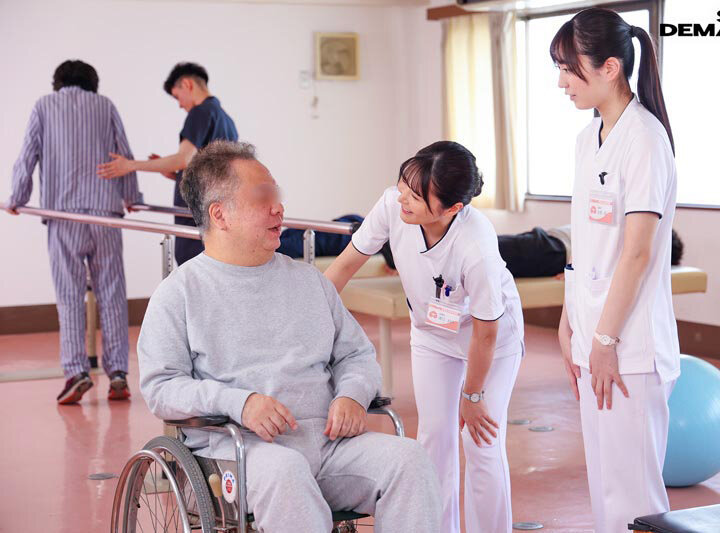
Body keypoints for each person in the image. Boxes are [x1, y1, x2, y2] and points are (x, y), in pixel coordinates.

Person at [137, 140, 441, 532]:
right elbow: (161, 387)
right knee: (286, 470)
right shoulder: (179, 293)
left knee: (409, 461)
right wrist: (240, 403)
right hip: (238, 453)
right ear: (220, 214)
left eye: (276, 195)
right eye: (262, 197)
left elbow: (356, 356)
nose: (278, 207)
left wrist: (352, 394)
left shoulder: (309, 281)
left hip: (328, 444)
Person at [325, 141, 524, 533]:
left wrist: (473, 396)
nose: (402, 198)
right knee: (434, 440)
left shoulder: (476, 245)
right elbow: (345, 265)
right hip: (433, 335)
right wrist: (307, 317)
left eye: (415, 196)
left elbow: (486, 333)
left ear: (452, 208)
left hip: (491, 344)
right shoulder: (392, 206)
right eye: (403, 185)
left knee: (482, 444)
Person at [551, 8, 680, 532]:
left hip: (629, 345)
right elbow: (585, 243)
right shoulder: (588, 140)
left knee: (634, 498)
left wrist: (604, 340)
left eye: (569, 69)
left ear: (610, 68)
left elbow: (637, 253)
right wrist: (570, 322)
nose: (562, 83)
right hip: (592, 337)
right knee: (604, 486)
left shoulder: (645, 139)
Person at [6, 59, 141, 404]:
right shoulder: (106, 106)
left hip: (62, 214)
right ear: (92, 82)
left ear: (59, 82)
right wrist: (131, 197)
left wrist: (17, 198)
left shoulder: (44, 106)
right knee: (112, 292)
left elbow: (27, 155)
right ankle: (118, 373)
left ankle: (76, 372)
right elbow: (124, 155)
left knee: (69, 295)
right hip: (105, 215)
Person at [97, 62, 237, 265]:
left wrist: (130, 165)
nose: (179, 104)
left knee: (193, 267)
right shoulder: (225, 119)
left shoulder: (200, 112)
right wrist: (176, 175)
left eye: (177, 97)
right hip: (214, 214)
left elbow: (182, 159)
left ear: (187, 84)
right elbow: (212, 172)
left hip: (196, 216)